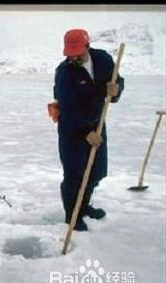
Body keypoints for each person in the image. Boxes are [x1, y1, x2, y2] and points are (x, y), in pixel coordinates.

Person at [50, 29, 125, 231]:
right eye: (70, 54)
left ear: (87, 46)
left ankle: (84, 207)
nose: (74, 57)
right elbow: (68, 108)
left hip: (97, 123)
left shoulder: (102, 59)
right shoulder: (64, 73)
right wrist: (85, 133)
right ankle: (72, 216)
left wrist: (116, 89)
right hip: (72, 129)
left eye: (78, 53)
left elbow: (118, 80)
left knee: (96, 171)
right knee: (75, 174)